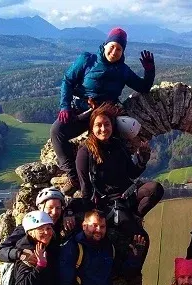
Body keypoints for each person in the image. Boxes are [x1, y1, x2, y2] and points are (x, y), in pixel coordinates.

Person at [51, 27, 156, 193]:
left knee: (116, 145)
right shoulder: (87, 60)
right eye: (112, 46)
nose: (114, 52)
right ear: (105, 44)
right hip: (82, 112)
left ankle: (117, 182)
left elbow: (143, 87)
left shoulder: (123, 71)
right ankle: (73, 176)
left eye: (119, 49)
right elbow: (68, 81)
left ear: (123, 52)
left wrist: (149, 71)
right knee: (57, 131)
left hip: (105, 116)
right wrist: (65, 106)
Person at [75, 103, 164, 227]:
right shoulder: (85, 152)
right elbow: (85, 187)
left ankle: (136, 217)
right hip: (108, 203)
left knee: (155, 189)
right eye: (98, 125)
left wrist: (142, 160)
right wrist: (90, 215)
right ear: (92, 127)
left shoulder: (118, 145)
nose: (103, 129)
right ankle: (130, 221)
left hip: (129, 195)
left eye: (107, 124)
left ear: (112, 126)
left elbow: (132, 173)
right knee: (138, 238)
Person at [0, 187, 76, 265]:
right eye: (50, 208)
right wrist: (20, 254)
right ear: (40, 208)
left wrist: (69, 212)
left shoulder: (62, 221)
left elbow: (81, 202)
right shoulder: (28, 226)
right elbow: (1, 252)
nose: (55, 212)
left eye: (58, 208)